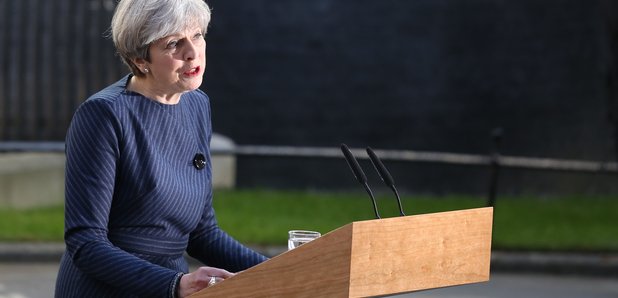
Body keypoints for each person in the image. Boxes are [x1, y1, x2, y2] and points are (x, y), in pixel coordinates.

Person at [54, 0, 268, 297]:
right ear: (140, 59)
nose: (192, 52)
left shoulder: (196, 105)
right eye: (173, 44)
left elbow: (202, 233)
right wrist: (176, 284)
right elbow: (86, 243)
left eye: (197, 35)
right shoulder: (104, 116)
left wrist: (280, 269)